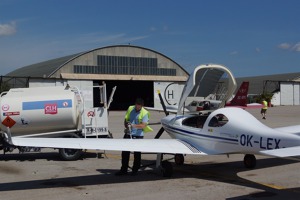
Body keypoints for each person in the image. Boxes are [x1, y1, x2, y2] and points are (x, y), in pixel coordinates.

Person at [115, 98, 152, 176]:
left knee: (137, 154)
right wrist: (126, 124)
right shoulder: (130, 108)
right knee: (125, 152)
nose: (137, 107)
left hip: (138, 135)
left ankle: (135, 170)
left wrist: (133, 125)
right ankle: (123, 169)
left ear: (142, 106)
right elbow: (126, 119)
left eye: (139, 106)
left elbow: (143, 125)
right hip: (128, 133)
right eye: (136, 105)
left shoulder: (145, 113)